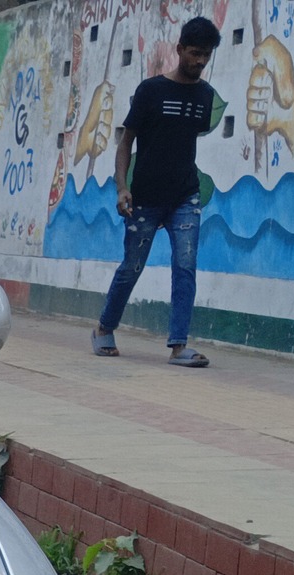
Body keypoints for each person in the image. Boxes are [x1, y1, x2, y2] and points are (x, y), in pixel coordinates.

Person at [91, 16, 223, 367]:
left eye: (206, 56)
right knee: (132, 266)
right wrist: (122, 188)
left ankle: (179, 345)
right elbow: (125, 143)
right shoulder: (150, 91)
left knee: (185, 265)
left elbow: (183, 143)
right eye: (195, 53)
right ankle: (104, 327)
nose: (200, 61)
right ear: (179, 49)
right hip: (144, 199)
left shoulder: (206, 96)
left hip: (185, 197)